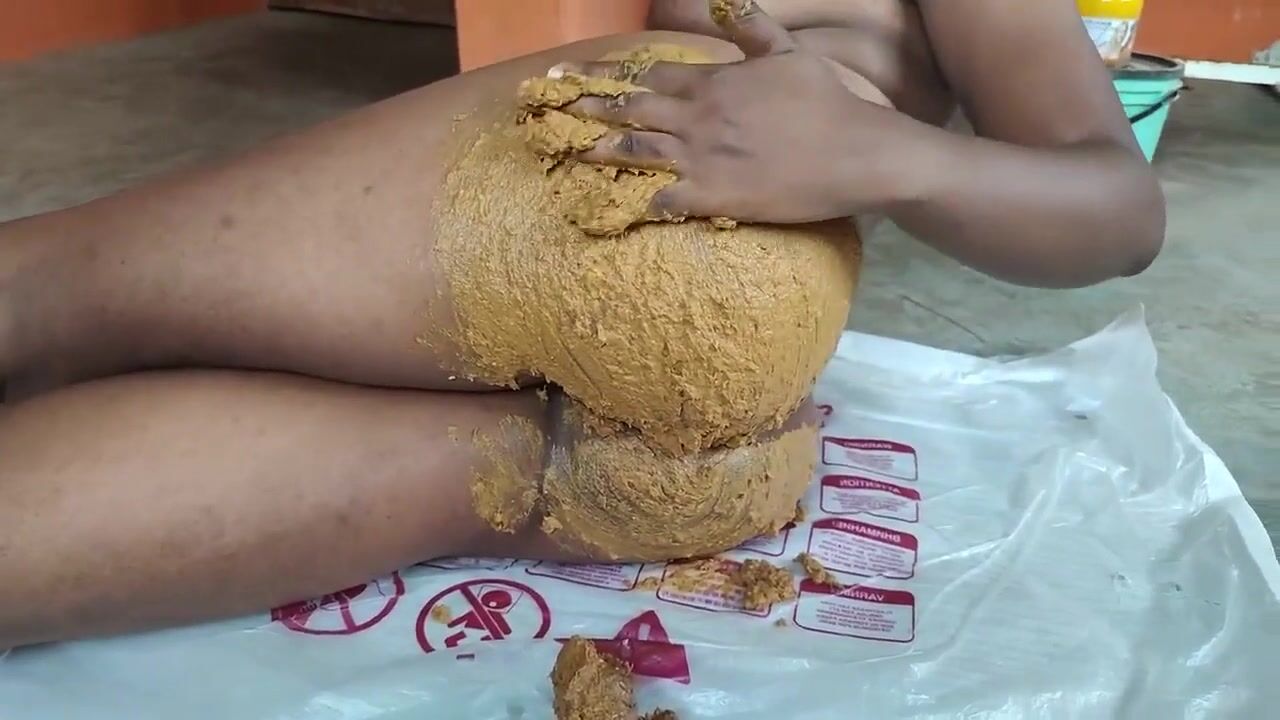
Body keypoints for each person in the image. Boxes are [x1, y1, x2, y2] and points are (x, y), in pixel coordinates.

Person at [0, 0, 1163, 649]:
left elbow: (1117, 208)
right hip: (708, 368)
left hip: (658, 198)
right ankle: (569, 474)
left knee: (41, 289)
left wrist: (888, 155)